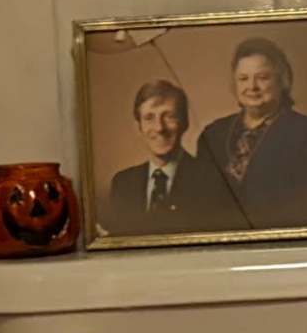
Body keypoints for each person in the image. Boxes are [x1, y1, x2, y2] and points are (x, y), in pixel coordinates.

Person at [204, 33, 307, 227]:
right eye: (243, 78)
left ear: (282, 80)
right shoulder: (213, 135)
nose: (252, 86)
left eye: (262, 77)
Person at [101, 74, 242, 233]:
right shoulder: (123, 184)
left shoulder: (213, 182)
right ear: (138, 127)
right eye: (149, 118)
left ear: (185, 122)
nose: (159, 128)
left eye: (169, 116)